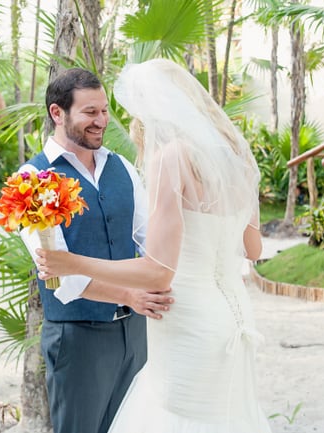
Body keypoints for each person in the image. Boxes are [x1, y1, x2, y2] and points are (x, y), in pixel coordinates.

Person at [35, 58, 272, 433]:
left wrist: (73, 263)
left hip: (186, 315)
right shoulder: (236, 157)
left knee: (177, 417)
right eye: (92, 111)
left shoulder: (165, 160)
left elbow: (159, 268)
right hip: (232, 315)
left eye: (113, 110)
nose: (111, 121)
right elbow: (253, 249)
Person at [20, 67, 173, 433]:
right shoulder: (31, 181)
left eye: (104, 111)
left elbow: (150, 240)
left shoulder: (122, 167)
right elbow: (57, 275)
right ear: (58, 113)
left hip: (137, 333)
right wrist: (128, 294)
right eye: (90, 112)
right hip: (79, 339)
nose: (101, 121)